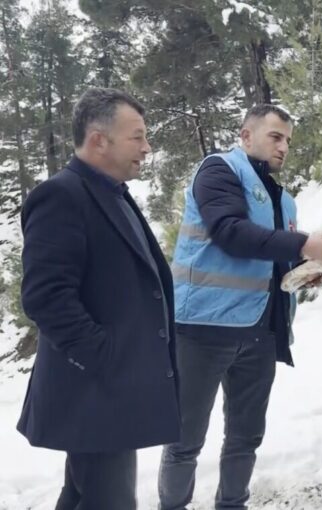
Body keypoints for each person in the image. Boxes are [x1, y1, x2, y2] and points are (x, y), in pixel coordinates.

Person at [158, 104, 322, 510]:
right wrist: (303, 245)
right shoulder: (218, 172)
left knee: (246, 437)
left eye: (288, 141)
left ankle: (233, 503)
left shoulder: (285, 201)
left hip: (260, 332)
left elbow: (272, 257)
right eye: (275, 137)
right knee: (185, 440)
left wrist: (305, 267)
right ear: (246, 136)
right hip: (203, 330)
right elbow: (231, 233)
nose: (283, 147)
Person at [17, 87, 180, 509]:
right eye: (137, 136)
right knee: (109, 500)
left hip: (111, 389)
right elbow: (45, 297)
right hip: (96, 389)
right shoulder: (62, 195)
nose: (147, 147)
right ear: (98, 139)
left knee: (82, 495)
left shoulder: (112, 193)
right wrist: (106, 357)